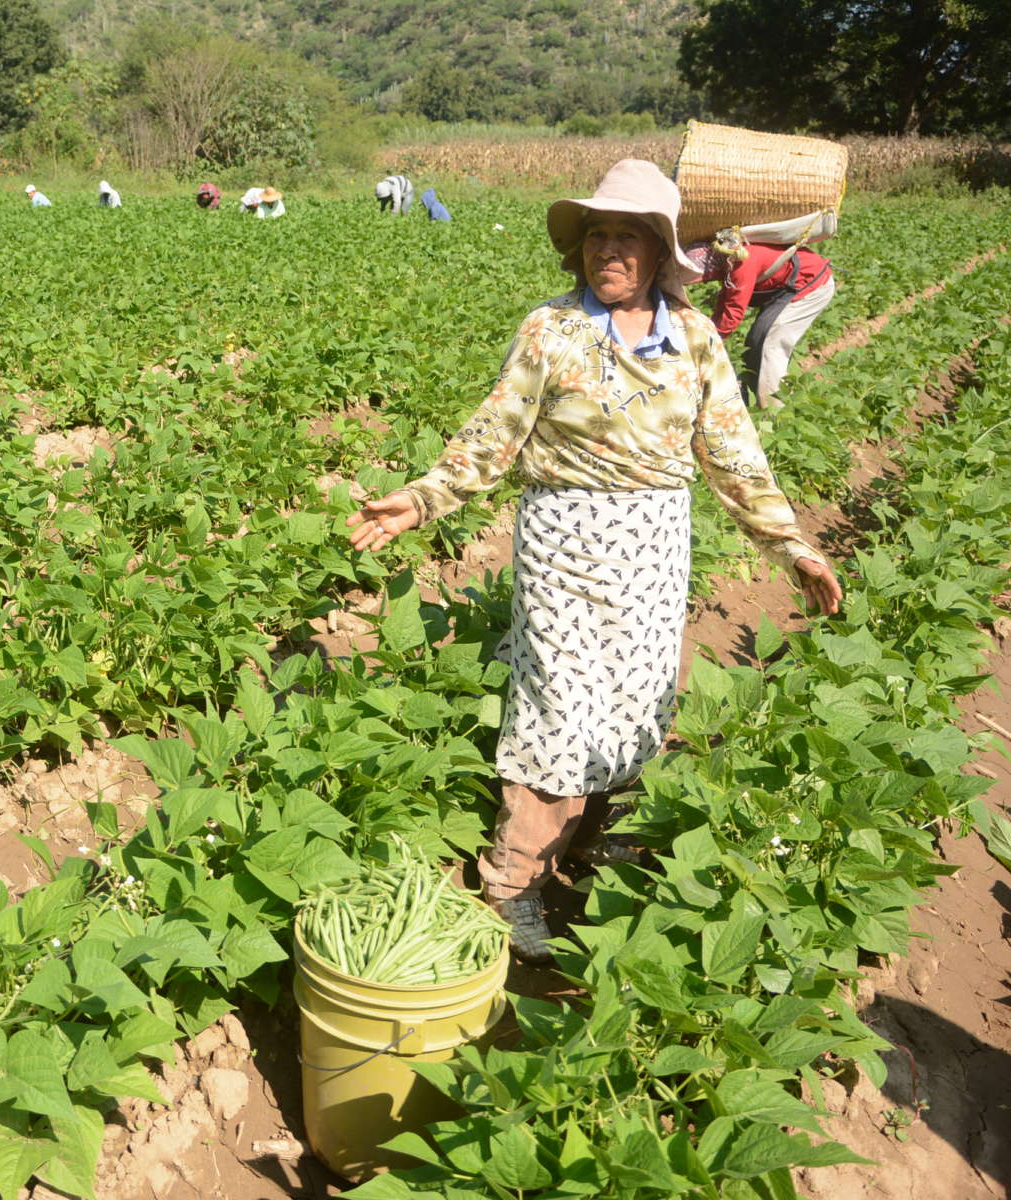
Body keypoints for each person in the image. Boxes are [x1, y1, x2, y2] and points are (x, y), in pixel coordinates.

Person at [344, 159, 841, 964]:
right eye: (595, 236)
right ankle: (513, 884)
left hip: (653, 546)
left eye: (627, 237)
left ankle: (599, 848)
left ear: (659, 252)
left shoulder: (694, 339)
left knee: (642, 698)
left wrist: (792, 547)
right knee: (557, 707)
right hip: (563, 541)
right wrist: (422, 498)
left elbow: (733, 456)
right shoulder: (550, 329)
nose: (607, 251)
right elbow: (494, 432)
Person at [708, 235, 835, 408]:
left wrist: (711, 344)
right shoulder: (731, 259)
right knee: (755, 340)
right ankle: (751, 399)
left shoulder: (741, 262)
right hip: (789, 287)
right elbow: (726, 299)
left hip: (812, 284)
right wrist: (710, 330)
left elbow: (734, 311)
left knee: (771, 344)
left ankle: (775, 412)